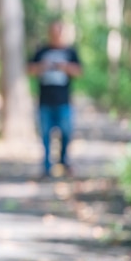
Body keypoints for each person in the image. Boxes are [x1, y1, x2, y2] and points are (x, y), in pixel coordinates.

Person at [27, 20, 82, 180]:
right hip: (44, 101)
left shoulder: (70, 52)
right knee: (45, 135)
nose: (55, 35)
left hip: (64, 101)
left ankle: (64, 161)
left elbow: (79, 71)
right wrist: (41, 67)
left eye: (58, 32)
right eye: (53, 32)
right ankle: (46, 167)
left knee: (66, 132)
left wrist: (65, 67)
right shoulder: (41, 51)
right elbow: (29, 69)